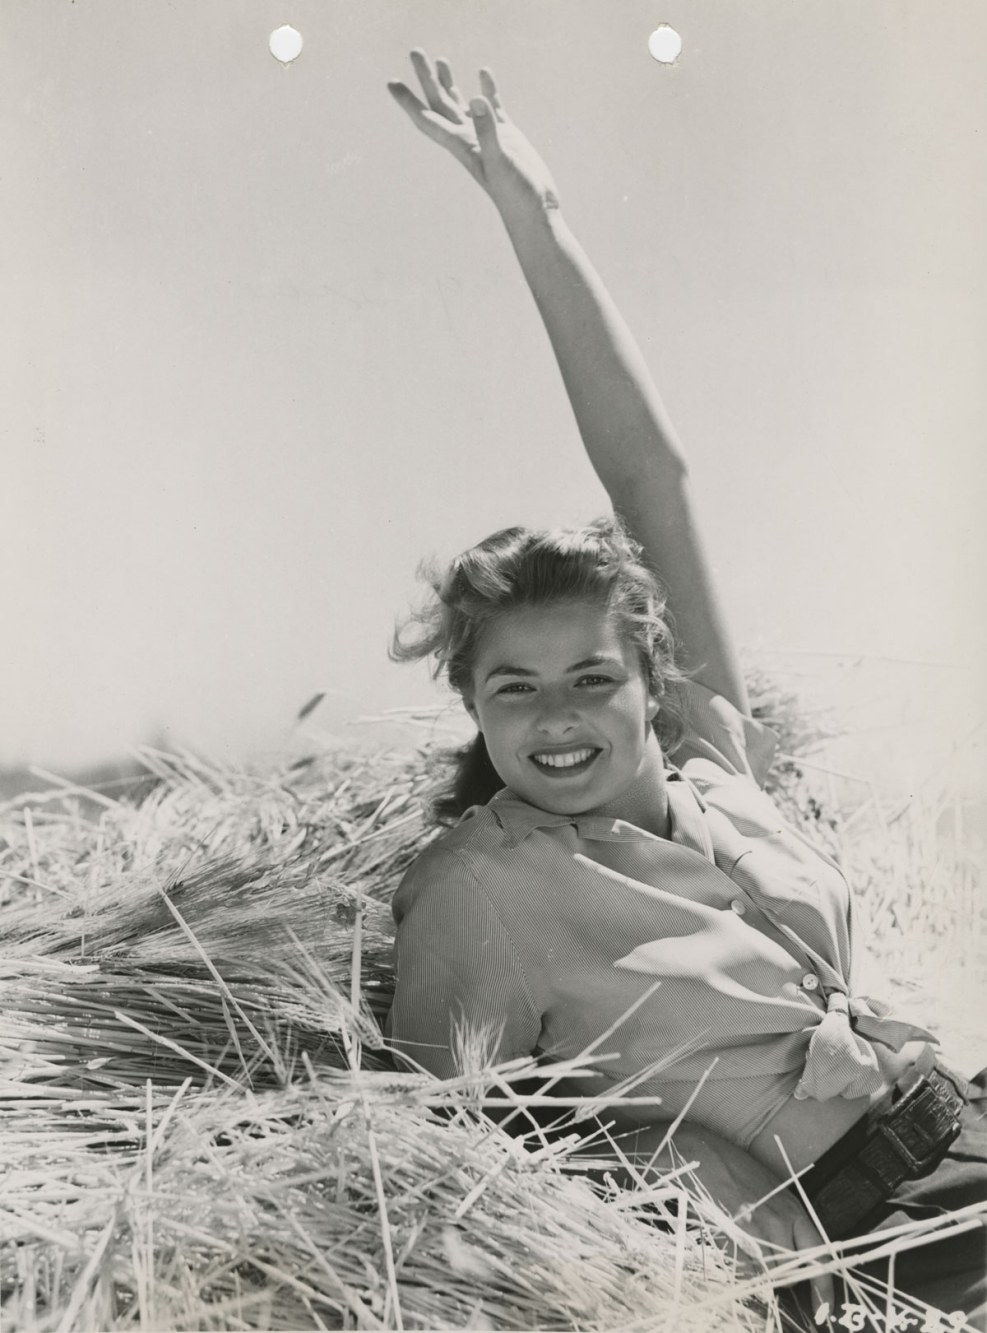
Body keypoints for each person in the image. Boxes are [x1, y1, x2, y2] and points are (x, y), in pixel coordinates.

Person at [383, 50, 986, 1331]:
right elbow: (442, 1164)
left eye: (594, 677)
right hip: (872, 1242)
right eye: (514, 689)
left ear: (654, 680)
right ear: (475, 705)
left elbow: (653, 477)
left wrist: (535, 223)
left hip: (964, 1130)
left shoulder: (717, 763)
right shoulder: (478, 894)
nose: (555, 719)